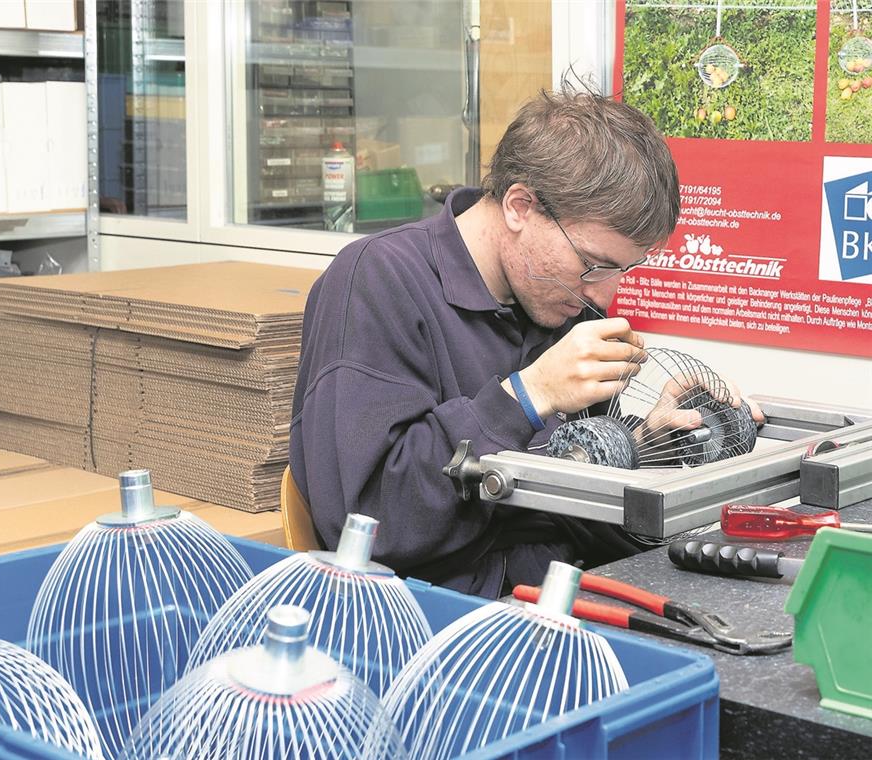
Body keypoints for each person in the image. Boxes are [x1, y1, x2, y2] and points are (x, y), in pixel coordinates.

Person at [290, 87, 739, 597]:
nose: (602, 292)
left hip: (564, 586)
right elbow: (371, 525)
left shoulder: (561, 298)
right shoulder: (376, 281)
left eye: (622, 269)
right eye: (593, 263)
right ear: (520, 206)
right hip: (440, 621)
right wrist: (524, 398)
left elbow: (569, 498)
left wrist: (644, 444)